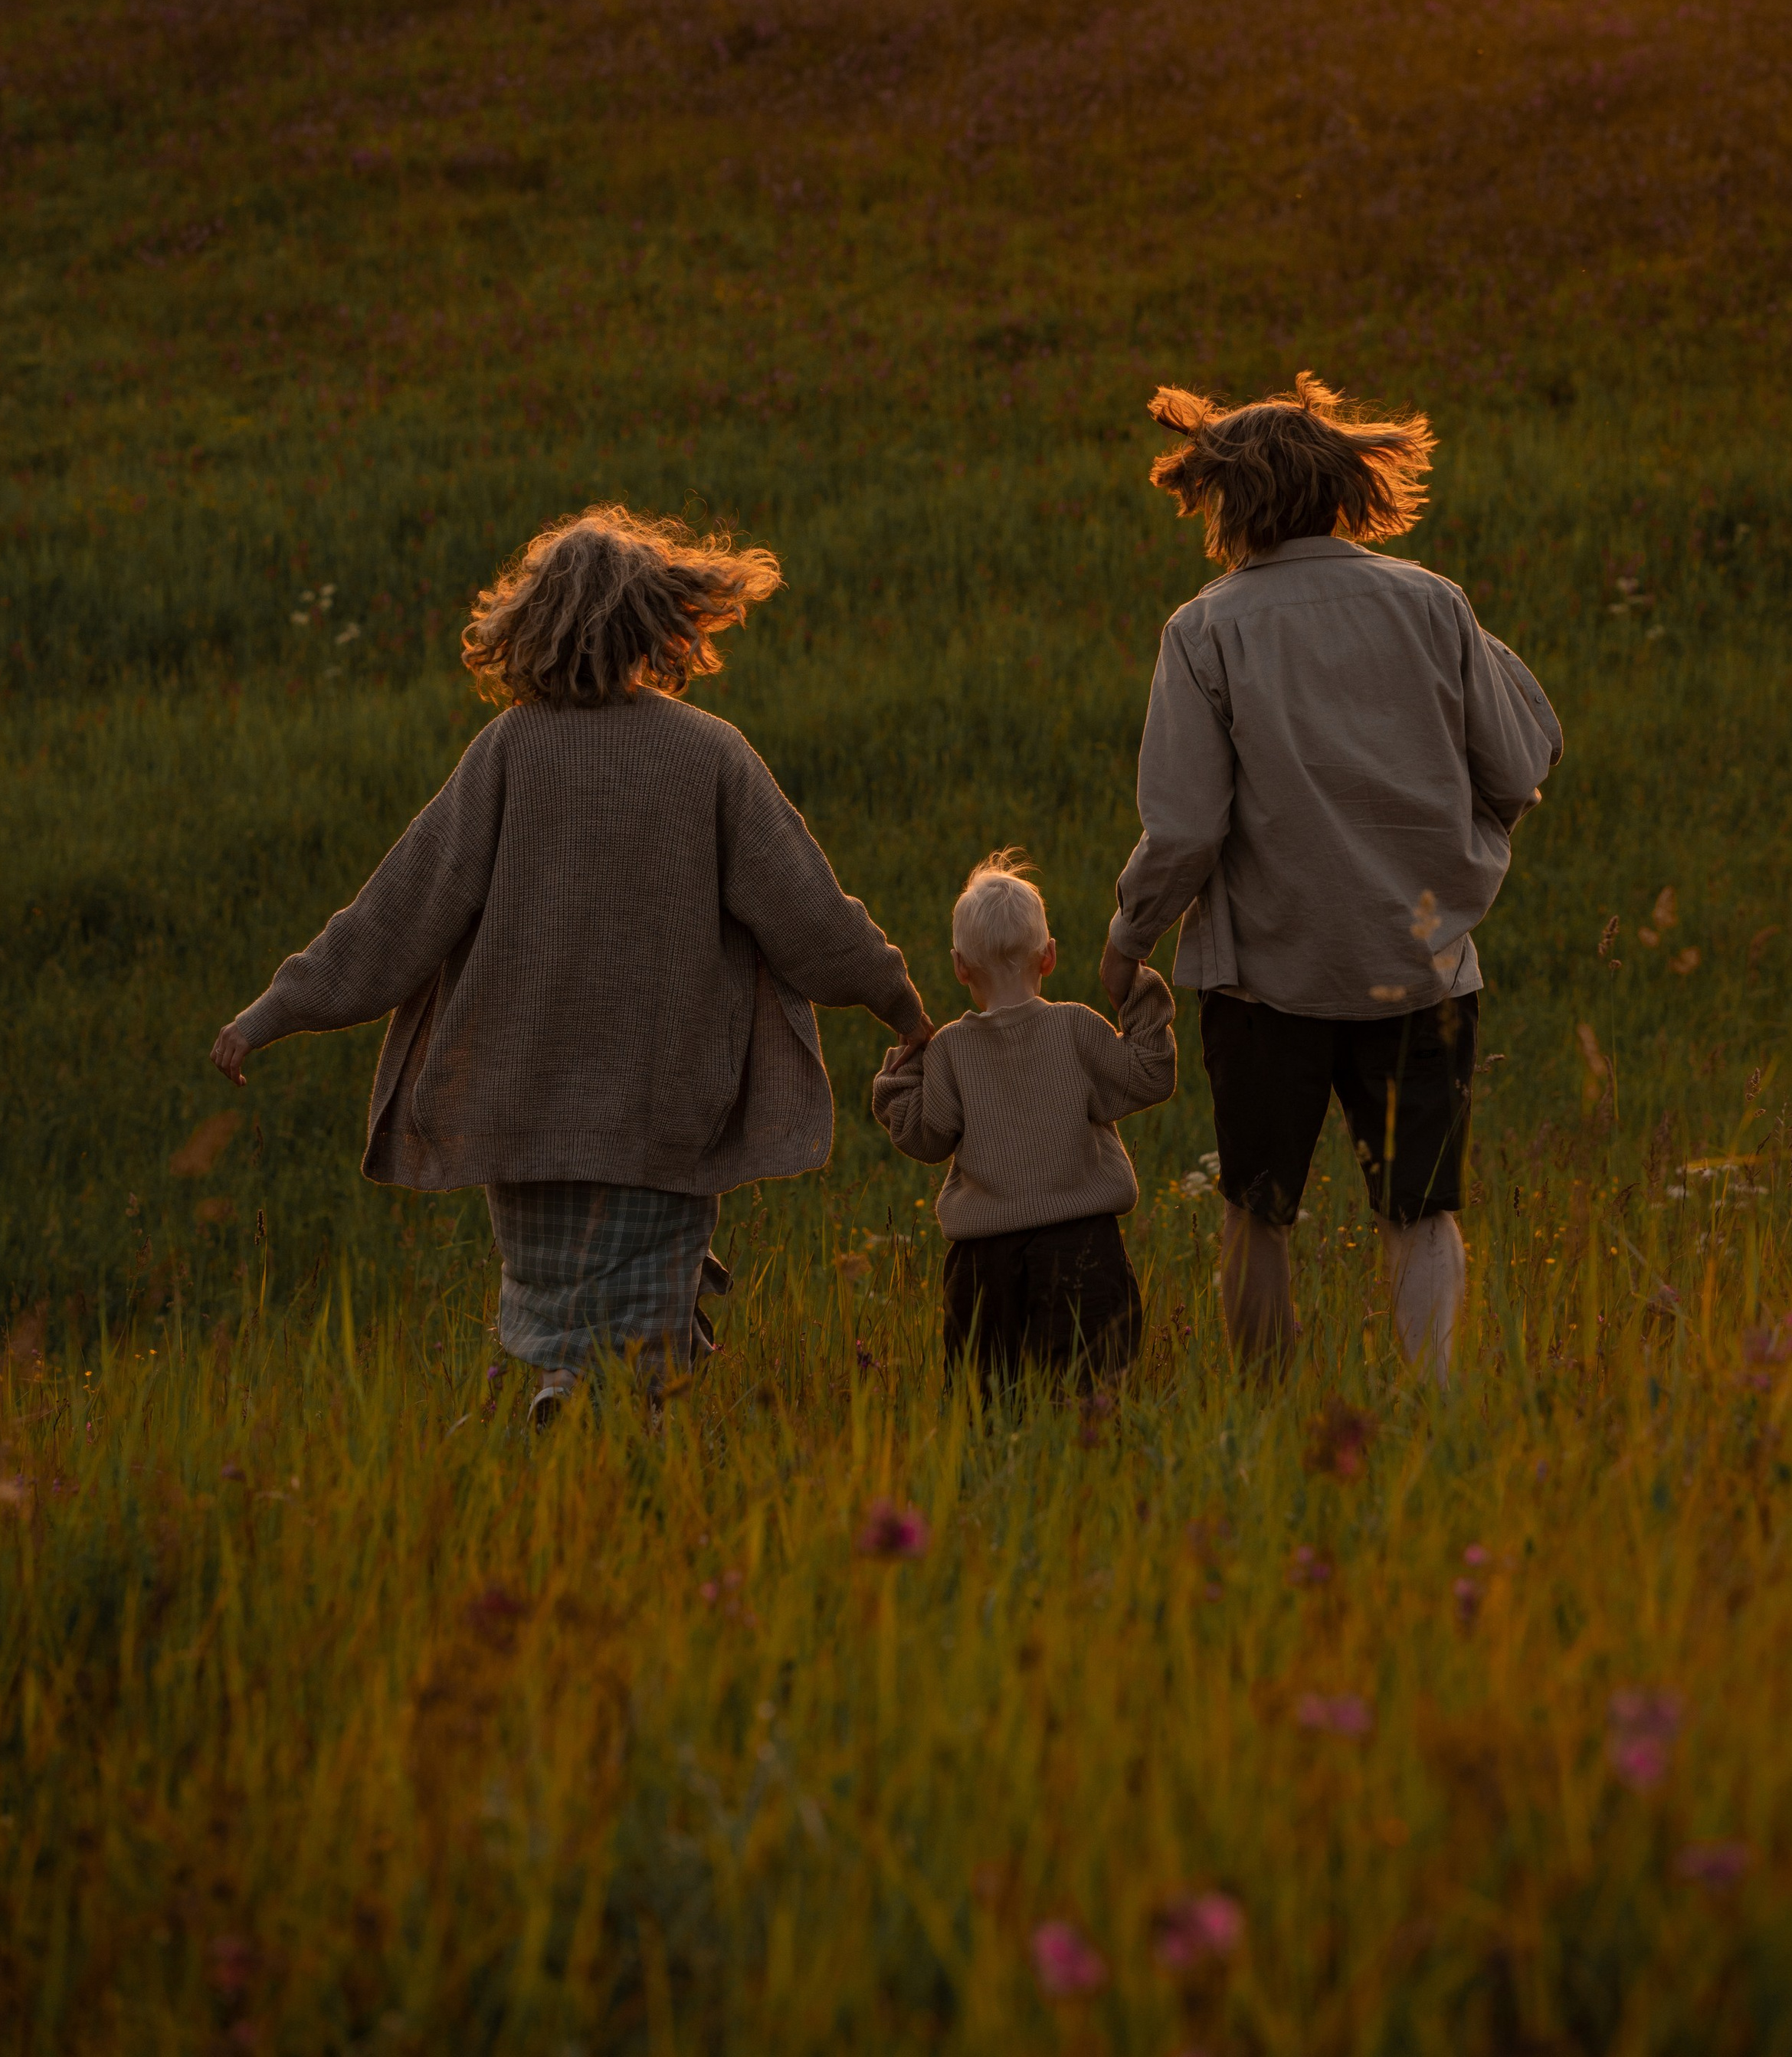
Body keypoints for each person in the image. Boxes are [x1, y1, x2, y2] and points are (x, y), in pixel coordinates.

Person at [210, 505, 931, 1427]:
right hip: (664, 1107)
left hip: (525, 1114)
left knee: (548, 1313)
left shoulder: (508, 751)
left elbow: (396, 912)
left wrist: (275, 1007)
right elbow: (812, 918)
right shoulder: (708, 754)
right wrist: (900, 1004)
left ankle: (553, 1413)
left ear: (532, 624)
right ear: (660, 624)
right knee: (641, 1335)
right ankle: (606, 1448)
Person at [1097, 378, 1561, 1387]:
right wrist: (1460, 853)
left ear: (1228, 499)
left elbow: (1183, 830)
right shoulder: (1433, 604)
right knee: (1422, 1212)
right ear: (1343, 484)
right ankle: (1432, 1403)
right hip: (1425, 966)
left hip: (1268, 982)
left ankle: (1261, 1412)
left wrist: (1129, 939)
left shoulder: (1206, 630)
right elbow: (1522, 767)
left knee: (1257, 1211)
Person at [873, 852, 1175, 1390]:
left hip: (982, 1265)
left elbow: (924, 1136)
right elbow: (1150, 1074)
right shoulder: (1076, 1029)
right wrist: (1137, 994)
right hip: (1084, 1247)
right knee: (1089, 1399)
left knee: (986, 1401)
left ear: (959, 966)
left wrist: (902, 1070)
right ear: (1049, 957)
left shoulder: (949, 1050)